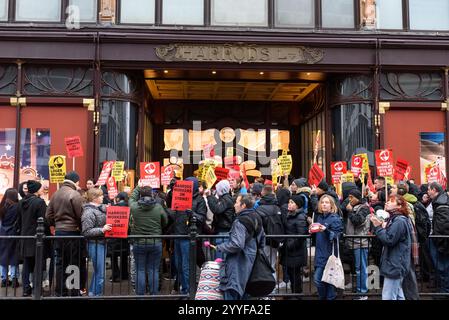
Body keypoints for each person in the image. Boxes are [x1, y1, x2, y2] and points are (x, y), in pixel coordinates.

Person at [216, 194, 265, 300]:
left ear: (243, 205)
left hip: (237, 263)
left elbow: (237, 244)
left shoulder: (240, 221)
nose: (234, 205)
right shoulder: (257, 217)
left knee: (232, 291)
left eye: (237, 202)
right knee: (245, 293)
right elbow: (262, 241)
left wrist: (221, 247)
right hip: (251, 262)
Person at [46, 171, 86, 296]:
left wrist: (56, 224)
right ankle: (74, 292)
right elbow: (81, 215)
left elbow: (48, 215)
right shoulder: (75, 194)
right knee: (74, 262)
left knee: (60, 262)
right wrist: (79, 227)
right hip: (73, 232)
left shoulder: (55, 194)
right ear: (76, 181)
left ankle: (60, 291)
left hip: (59, 232)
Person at [370, 195, 413, 300]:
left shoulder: (399, 221)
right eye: (388, 200)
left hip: (395, 264)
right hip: (396, 262)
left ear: (399, 206)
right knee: (398, 294)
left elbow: (389, 240)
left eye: (391, 201)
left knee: (388, 296)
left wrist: (378, 227)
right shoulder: (396, 220)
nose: (387, 202)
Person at [169, 177, 207, 294]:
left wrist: (192, 214)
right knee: (178, 265)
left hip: (188, 236)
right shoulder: (179, 194)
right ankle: (183, 288)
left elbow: (202, 218)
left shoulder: (199, 200)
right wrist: (172, 188)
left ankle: (188, 292)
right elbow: (170, 203)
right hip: (178, 235)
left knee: (186, 266)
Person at [129, 186, 168, 295]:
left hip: (139, 242)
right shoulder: (158, 207)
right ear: (151, 194)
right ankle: (153, 294)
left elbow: (131, 198)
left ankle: (140, 295)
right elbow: (165, 221)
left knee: (140, 269)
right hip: (155, 242)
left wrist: (137, 187)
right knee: (153, 270)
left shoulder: (135, 207)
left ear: (140, 195)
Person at [16, 180, 47, 296]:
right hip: (36, 237)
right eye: (40, 188)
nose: (42, 189)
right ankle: (36, 289)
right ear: (36, 190)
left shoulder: (21, 202)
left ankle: (25, 289)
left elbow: (18, 221)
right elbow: (43, 221)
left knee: (27, 264)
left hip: (25, 237)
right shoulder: (40, 202)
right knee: (37, 265)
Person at [81, 188, 112, 296]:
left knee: (99, 271)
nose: (103, 197)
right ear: (94, 198)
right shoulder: (88, 212)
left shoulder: (99, 208)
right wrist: (102, 229)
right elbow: (86, 231)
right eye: (101, 195)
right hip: (95, 243)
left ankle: (92, 293)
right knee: (100, 272)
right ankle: (96, 295)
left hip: (101, 242)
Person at [312, 194, 343, 300]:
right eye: (322, 202)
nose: (324, 204)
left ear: (331, 205)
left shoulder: (335, 218)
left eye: (327, 202)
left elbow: (337, 236)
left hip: (329, 255)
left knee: (319, 280)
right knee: (325, 280)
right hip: (320, 254)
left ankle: (326, 297)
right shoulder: (319, 217)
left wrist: (326, 230)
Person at [280, 194, 308, 295]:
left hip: (296, 251)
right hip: (290, 251)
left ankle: (297, 295)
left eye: (292, 202)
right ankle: (294, 293)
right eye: (289, 202)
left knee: (295, 276)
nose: (289, 204)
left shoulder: (299, 217)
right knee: (292, 275)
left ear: (298, 205)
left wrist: (289, 245)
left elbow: (301, 236)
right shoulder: (290, 214)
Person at [345, 189, 370, 300]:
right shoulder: (354, 206)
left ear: (358, 198)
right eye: (348, 197)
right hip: (354, 242)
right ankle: (359, 291)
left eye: (351, 197)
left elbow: (358, 221)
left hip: (361, 243)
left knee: (361, 268)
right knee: (357, 268)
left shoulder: (364, 208)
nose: (349, 200)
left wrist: (350, 212)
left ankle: (363, 293)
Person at [427, 182, 449, 294]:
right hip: (441, 240)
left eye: (429, 189)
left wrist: (438, 242)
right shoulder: (440, 201)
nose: (427, 192)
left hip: (441, 242)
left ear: (434, 190)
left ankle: (444, 291)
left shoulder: (441, 203)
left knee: (442, 266)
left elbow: (443, 226)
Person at [205, 180, 235, 259]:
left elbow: (216, 209)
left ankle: (221, 271)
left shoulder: (226, 199)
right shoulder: (225, 198)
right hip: (222, 231)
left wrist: (209, 196)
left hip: (223, 232)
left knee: (220, 258)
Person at [0, 188, 19, 288]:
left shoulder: (2, 206)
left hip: (2, 234)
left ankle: (3, 279)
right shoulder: (17, 207)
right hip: (13, 233)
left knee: (3, 257)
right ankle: (14, 278)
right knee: (13, 257)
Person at [109, 192, 130, 282]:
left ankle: (115, 275)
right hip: (125, 234)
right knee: (124, 255)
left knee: (113, 256)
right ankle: (124, 274)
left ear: (118, 198)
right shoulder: (129, 207)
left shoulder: (113, 207)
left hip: (114, 234)